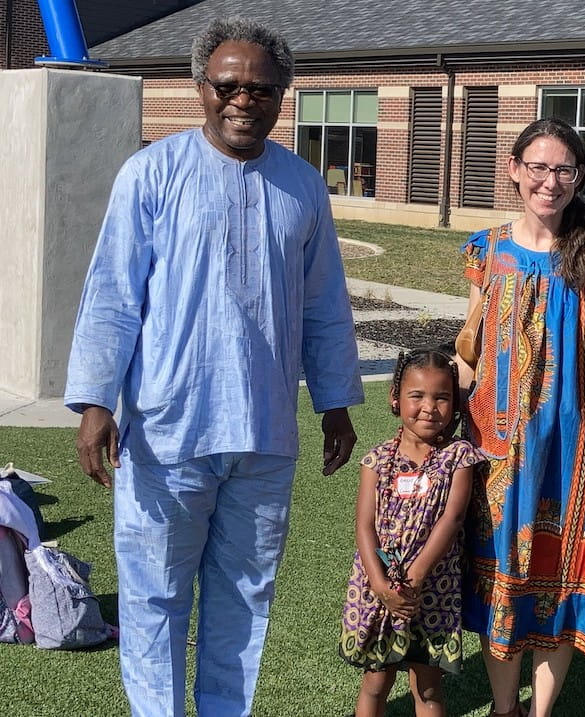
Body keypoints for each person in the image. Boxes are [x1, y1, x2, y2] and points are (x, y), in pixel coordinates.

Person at [64, 17, 364, 717]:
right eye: (228, 84)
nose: (243, 99)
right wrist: (95, 401)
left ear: (281, 95)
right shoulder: (152, 173)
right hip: (167, 430)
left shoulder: (302, 186)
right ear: (202, 87)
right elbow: (113, 293)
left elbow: (323, 303)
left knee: (244, 597)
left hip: (263, 433)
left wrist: (336, 402)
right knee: (154, 598)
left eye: (261, 88)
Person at [456, 117, 585, 717]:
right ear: (514, 169)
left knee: (564, 570)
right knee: (504, 571)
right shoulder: (486, 251)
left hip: (580, 445)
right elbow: (472, 346)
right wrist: (430, 414)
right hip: (499, 445)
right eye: (537, 167)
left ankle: (539, 712)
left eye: (563, 169)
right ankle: (503, 707)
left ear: (579, 177)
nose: (550, 180)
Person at [339, 349, 482, 716]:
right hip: (379, 587)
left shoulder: (458, 457)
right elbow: (364, 525)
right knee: (376, 681)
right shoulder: (377, 460)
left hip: (431, 590)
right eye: (417, 396)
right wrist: (382, 585)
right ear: (395, 398)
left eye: (442, 397)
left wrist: (415, 579)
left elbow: (451, 520)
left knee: (429, 686)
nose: (429, 407)